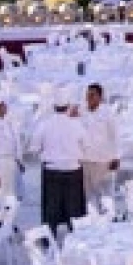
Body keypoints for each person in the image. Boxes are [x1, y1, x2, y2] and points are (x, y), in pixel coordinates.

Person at [31, 92, 86, 236]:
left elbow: (34, 147)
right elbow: (86, 144)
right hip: (73, 169)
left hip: (52, 169)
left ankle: (49, 236)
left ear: (54, 107)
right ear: (68, 106)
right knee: (74, 207)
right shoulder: (76, 124)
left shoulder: (44, 124)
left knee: (51, 207)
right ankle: (77, 236)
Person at [79, 83, 120, 201]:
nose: (89, 98)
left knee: (105, 195)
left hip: (103, 160)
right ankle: (90, 218)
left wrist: (116, 157)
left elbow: (116, 136)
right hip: (86, 159)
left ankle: (107, 217)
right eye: (87, 95)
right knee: (87, 195)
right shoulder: (82, 112)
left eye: (92, 95)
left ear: (100, 97)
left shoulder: (108, 114)